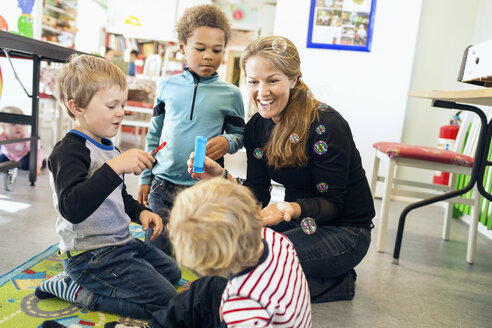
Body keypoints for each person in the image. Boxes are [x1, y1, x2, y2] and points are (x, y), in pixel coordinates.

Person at [188, 35, 375, 303]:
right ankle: (324, 280)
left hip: (345, 231)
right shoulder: (256, 127)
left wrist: (290, 209)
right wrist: (222, 177)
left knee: (247, 269)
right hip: (299, 223)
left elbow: (333, 203)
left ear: (293, 79)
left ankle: (338, 284)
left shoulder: (326, 125)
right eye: (253, 82)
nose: (261, 92)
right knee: (218, 254)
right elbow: (258, 193)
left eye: (272, 80)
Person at [34, 54, 181, 321]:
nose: (121, 112)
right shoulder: (67, 152)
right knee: (167, 301)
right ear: (77, 107)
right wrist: (115, 168)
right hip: (90, 256)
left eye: (122, 104)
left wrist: (141, 213)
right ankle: (78, 290)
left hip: (120, 244)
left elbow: (118, 196)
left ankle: (95, 284)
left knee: (172, 273)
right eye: (112, 105)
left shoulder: (108, 146)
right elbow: (73, 208)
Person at [105, 177, 312, 328]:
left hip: (253, 312)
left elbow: (248, 306)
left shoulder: (244, 310)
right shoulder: (275, 239)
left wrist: (235, 308)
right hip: (265, 307)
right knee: (209, 287)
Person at [138, 4, 245, 255]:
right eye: (200, 48)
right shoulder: (166, 86)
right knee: (157, 253)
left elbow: (240, 136)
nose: (208, 56)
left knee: (199, 256)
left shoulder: (231, 94)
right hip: (161, 184)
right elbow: (154, 133)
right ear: (182, 47)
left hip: (203, 190)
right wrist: (145, 177)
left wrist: (228, 142)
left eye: (216, 50)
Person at [0, 106, 46, 175]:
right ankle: (15, 164)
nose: (18, 126)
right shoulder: (2, 136)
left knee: (26, 165)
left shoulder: (27, 137)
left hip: (25, 155)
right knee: (1, 162)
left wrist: (37, 167)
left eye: (21, 123)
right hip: (9, 155)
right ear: (3, 126)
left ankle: (44, 161)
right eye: (13, 124)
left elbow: (37, 151)